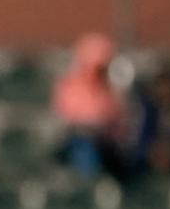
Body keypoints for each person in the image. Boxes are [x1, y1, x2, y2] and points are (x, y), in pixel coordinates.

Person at [52, 32, 126, 180]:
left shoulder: (112, 88)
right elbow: (70, 118)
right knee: (84, 147)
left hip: (107, 144)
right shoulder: (69, 85)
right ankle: (87, 188)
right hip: (77, 141)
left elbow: (118, 121)